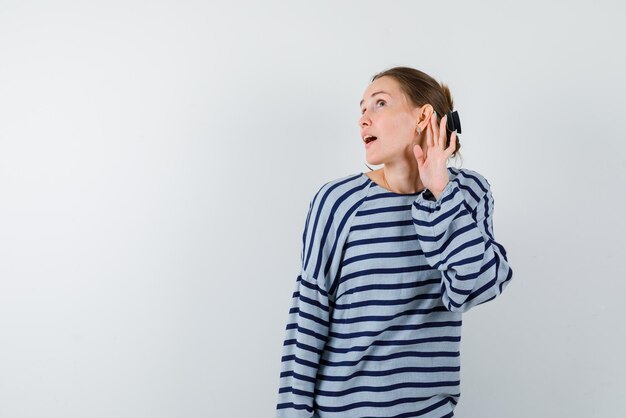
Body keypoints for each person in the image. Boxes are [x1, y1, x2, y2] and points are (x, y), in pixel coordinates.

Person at [275, 66, 513, 418]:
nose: (363, 119)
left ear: (424, 117)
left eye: (379, 104)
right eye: (361, 109)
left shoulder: (467, 194)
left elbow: (471, 288)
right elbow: (308, 314)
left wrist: (440, 192)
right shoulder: (338, 202)